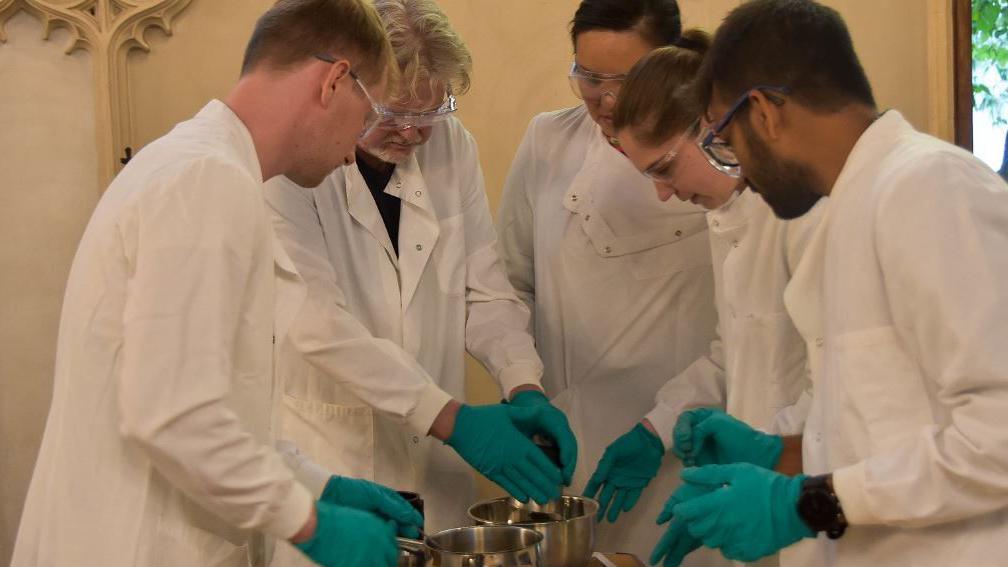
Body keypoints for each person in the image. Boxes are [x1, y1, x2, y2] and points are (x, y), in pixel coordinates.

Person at [9, 2, 424, 566]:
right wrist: (307, 522)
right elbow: (172, 413)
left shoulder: (196, 165)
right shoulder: (205, 178)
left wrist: (320, 486)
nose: (354, 151)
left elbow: (223, 407)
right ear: (333, 80)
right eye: (366, 116)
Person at [668, 1, 1008, 566]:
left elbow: (998, 433)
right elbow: (890, 424)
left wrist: (809, 502)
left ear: (764, 113)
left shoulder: (929, 189)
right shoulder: (847, 208)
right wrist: (783, 455)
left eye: (725, 140)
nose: (740, 171)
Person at [264, 0, 577, 543]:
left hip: (433, 468)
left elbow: (485, 289)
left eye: (431, 113)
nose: (411, 135)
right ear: (349, 88)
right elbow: (316, 322)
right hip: (334, 451)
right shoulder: (289, 163)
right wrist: (451, 417)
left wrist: (523, 382)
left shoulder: (451, 147)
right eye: (395, 113)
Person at [586, 37, 824, 567]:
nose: (663, 194)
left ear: (712, 127)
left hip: (811, 501)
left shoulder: (800, 215)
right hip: (767, 500)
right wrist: (658, 427)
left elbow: (837, 384)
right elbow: (731, 351)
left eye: (665, 167)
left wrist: (764, 455)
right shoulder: (726, 216)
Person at [496, 0, 720, 559]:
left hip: (683, 443)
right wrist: (520, 384)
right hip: (570, 444)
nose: (607, 100)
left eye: (626, 80)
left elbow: (745, 330)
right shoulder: (549, 141)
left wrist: (662, 427)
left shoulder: (715, 159)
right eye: (589, 78)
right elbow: (508, 285)